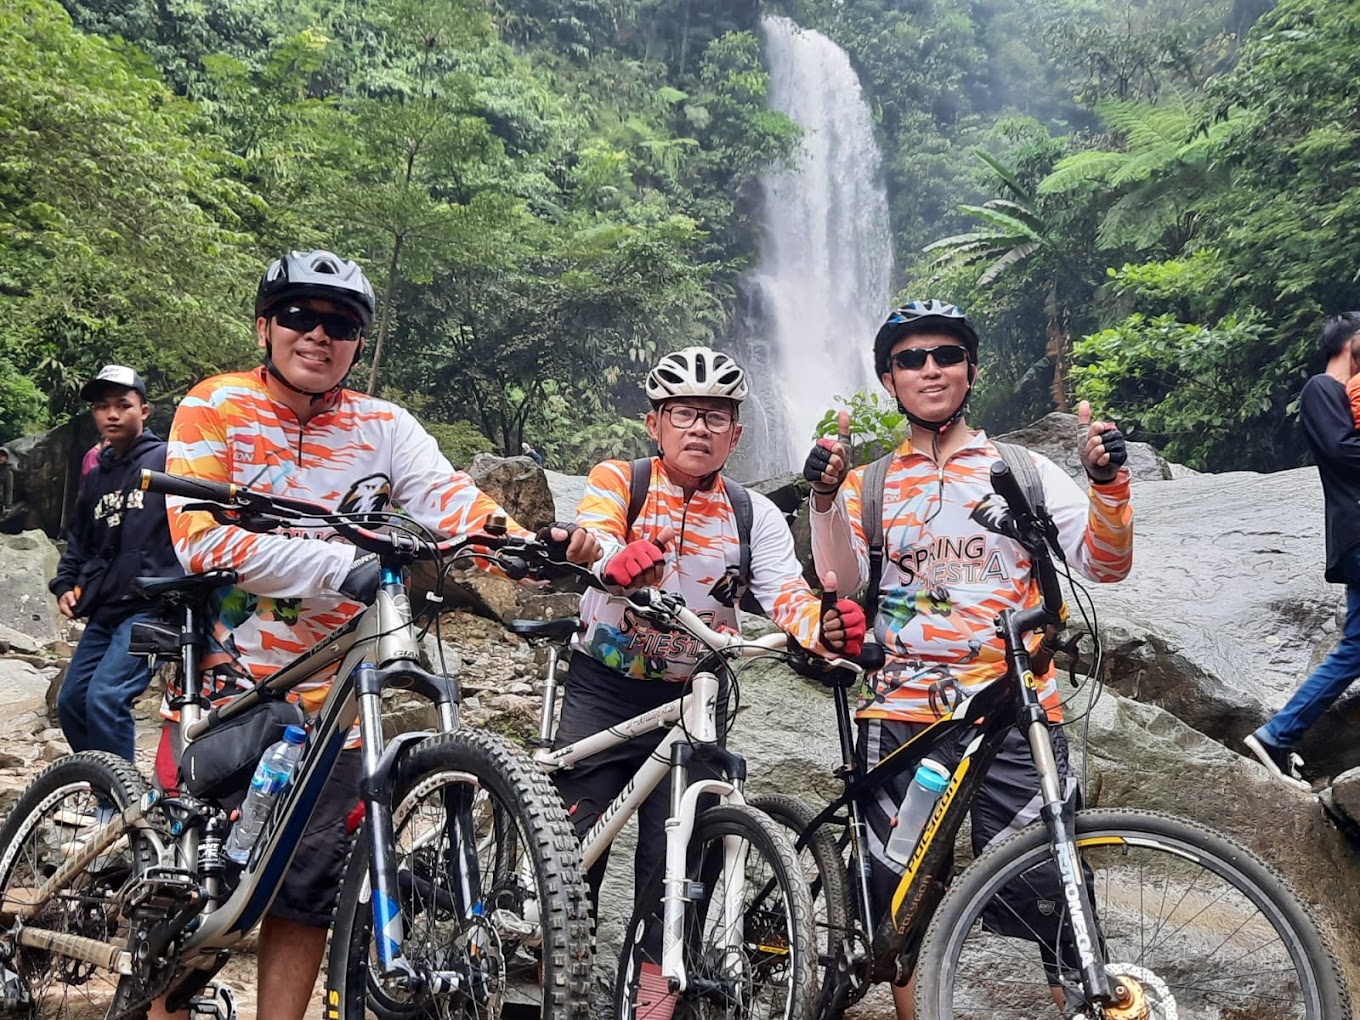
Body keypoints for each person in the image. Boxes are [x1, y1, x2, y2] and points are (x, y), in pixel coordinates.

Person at [153, 249, 601, 1020]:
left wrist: (539, 549)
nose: (318, 335)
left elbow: (454, 505)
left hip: (339, 694)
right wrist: (341, 567)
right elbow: (198, 539)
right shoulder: (214, 405)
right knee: (199, 890)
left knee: (309, 887)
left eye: (341, 324)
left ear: (358, 343)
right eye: (299, 316)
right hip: (230, 679)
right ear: (265, 326)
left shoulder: (385, 426)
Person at [803, 300, 1132, 1019]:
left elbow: (1105, 566)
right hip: (903, 717)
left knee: (1052, 901)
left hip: (1016, 711)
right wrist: (824, 497)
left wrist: (1109, 486)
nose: (930, 369)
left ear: (970, 370)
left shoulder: (1022, 469)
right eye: (911, 359)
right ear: (889, 378)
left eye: (945, 355)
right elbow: (840, 579)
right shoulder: (873, 483)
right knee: (904, 907)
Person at [565, 345, 867, 1006]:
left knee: (674, 877)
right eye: (683, 413)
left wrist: (825, 629)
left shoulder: (751, 514)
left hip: (697, 696)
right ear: (655, 424)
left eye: (715, 416)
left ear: (736, 433)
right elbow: (596, 536)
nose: (698, 427)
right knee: (571, 856)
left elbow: (788, 593)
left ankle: (650, 1006)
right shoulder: (623, 479)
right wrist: (616, 564)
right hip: (602, 687)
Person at [1244, 313, 1360, 790]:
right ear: (1351, 342)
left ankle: (1280, 737)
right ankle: (1276, 735)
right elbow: (1339, 449)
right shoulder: (1321, 388)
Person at [50, 365, 181, 777]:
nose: (112, 414)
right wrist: (65, 583)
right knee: (71, 701)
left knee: (105, 697)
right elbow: (81, 541)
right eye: (102, 407)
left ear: (144, 410)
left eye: (123, 405)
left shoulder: (166, 461)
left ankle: (120, 804)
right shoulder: (96, 475)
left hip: (153, 606)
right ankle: (109, 786)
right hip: (106, 609)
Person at [0, 447, 14, 513]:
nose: (0, 458)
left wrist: (8, 506)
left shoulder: (8, 473)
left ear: (6, 458)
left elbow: (8, 491)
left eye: (3, 456)